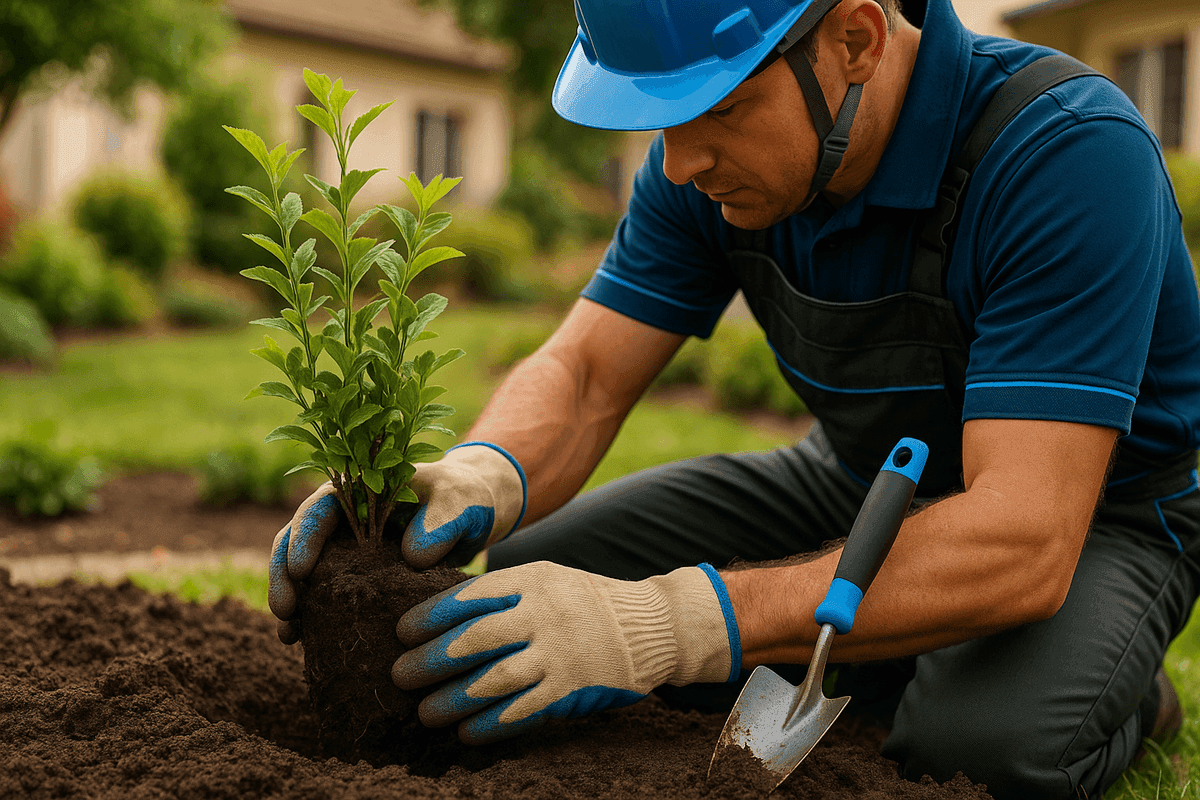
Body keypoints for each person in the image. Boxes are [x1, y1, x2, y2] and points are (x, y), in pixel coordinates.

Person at [267, 0, 1200, 797]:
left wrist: (671, 625)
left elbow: (1024, 535)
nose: (679, 163)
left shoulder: (1065, 152)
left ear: (856, 43)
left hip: (1098, 520)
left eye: (713, 108)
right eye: (661, 120)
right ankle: (906, 646)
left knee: (975, 751)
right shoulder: (707, 166)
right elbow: (589, 371)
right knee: (511, 608)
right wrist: (480, 472)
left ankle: (1117, 684)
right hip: (858, 479)